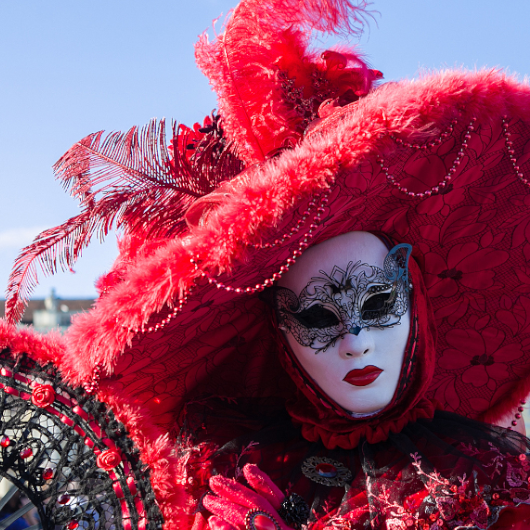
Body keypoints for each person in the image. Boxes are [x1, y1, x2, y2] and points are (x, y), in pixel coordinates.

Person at [5, 0, 530, 528]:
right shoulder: (223, 466)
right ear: (279, 327)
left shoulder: (490, 478)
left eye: (378, 303)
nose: (357, 342)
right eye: (319, 318)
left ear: (415, 299)